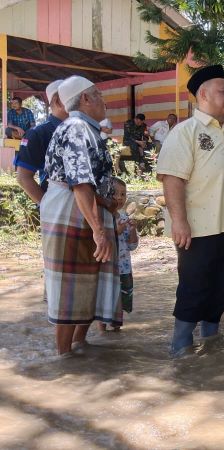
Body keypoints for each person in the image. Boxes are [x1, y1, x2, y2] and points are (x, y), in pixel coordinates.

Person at [156, 65, 224, 356]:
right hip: (199, 228)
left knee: (223, 287)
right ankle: (181, 347)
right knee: (194, 286)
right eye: (223, 91)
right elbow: (173, 178)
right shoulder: (185, 132)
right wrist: (179, 221)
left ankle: (212, 344)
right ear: (203, 94)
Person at [40, 76, 118, 356]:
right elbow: (80, 183)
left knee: (88, 279)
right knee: (69, 285)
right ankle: (63, 357)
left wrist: (109, 212)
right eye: (98, 94)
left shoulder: (88, 129)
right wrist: (98, 230)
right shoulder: (76, 128)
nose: (103, 99)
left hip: (83, 207)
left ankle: (78, 347)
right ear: (85, 99)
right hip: (70, 210)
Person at [97, 177, 139, 332]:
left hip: (123, 268)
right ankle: (102, 330)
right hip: (107, 268)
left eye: (123, 194)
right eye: (116, 194)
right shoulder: (101, 218)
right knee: (104, 300)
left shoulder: (124, 218)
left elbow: (132, 245)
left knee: (120, 301)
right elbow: (101, 240)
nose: (120, 198)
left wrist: (133, 230)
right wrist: (116, 231)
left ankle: (116, 332)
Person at [15, 80, 65, 205]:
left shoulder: (82, 130)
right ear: (58, 101)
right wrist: (48, 208)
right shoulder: (39, 133)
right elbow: (23, 177)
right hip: (57, 212)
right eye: (74, 97)